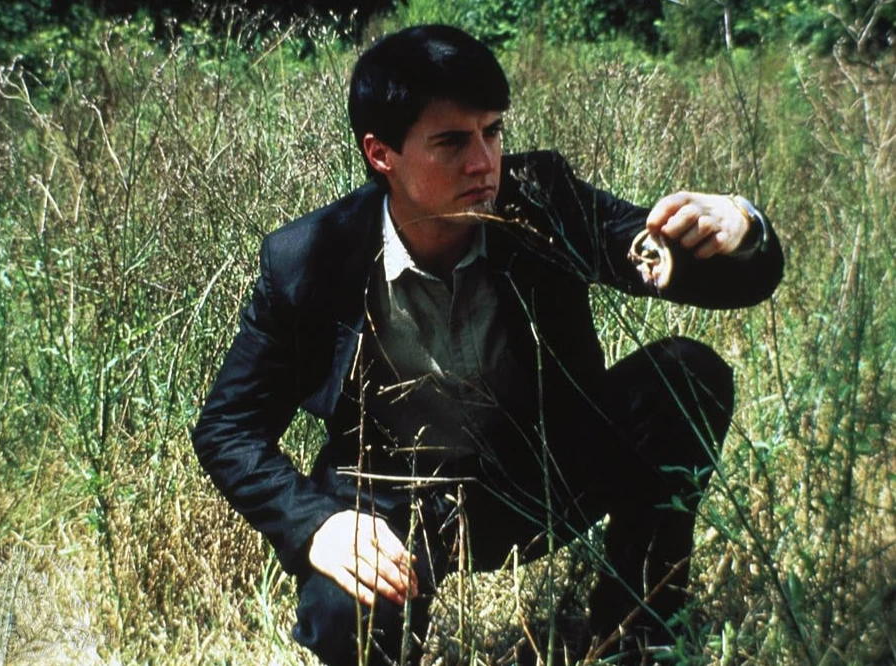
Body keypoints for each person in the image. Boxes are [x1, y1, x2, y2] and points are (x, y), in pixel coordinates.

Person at [192, 24, 783, 666]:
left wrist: (741, 229)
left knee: (685, 375)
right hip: (399, 502)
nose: (484, 163)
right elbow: (228, 427)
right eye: (451, 142)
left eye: (492, 132)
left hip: (543, 476)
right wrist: (317, 523)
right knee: (345, 618)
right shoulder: (310, 258)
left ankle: (638, 628)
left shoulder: (539, 201)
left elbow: (679, 264)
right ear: (381, 153)